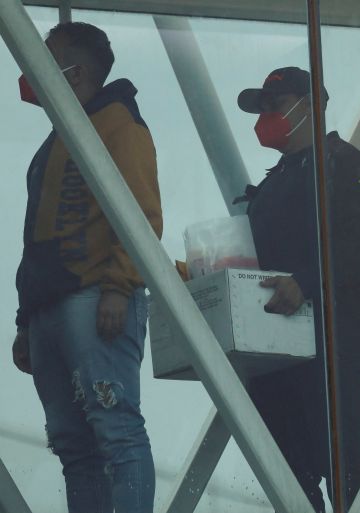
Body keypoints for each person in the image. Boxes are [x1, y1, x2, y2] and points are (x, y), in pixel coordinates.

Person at [10, 22, 162, 513]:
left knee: (116, 429)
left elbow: (142, 213)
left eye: (43, 58)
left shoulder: (121, 125)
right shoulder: (61, 137)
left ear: (72, 72)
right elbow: (37, 234)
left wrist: (119, 287)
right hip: (49, 307)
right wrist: (24, 320)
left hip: (95, 297)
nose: (28, 71)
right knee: (73, 444)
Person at [237, 66, 360, 512]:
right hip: (274, 347)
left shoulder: (345, 166)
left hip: (333, 341)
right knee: (285, 467)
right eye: (261, 109)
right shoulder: (276, 179)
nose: (266, 118)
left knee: (337, 459)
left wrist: (305, 282)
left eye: (276, 106)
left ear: (312, 107)